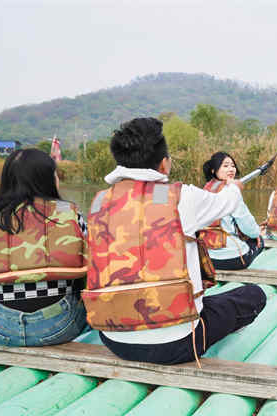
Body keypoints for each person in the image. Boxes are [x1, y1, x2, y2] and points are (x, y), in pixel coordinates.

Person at [85, 118, 266, 364]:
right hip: (176, 344)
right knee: (253, 295)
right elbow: (228, 202)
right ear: (164, 163)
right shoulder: (181, 197)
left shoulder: (98, 202)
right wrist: (233, 187)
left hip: (114, 340)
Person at [0, 149, 89, 346]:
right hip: (59, 327)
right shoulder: (70, 215)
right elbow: (94, 265)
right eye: (54, 174)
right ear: (45, 179)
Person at [199, 151, 263, 270]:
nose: (231, 169)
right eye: (225, 165)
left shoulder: (204, 189)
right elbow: (251, 230)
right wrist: (256, 234)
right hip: (230, 259)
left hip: (206, 257)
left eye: (233, 166)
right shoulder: (231, 191)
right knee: (259, 239)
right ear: (213, 170)